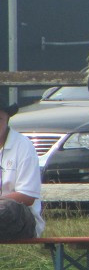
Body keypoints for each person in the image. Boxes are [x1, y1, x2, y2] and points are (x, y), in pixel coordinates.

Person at [0, 100, 45, 240]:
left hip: (21, 219)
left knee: (8, 208)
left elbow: (27, 196)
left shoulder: (23, 146)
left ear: (7, 119)